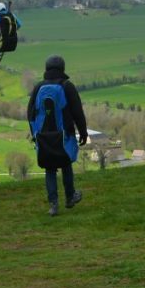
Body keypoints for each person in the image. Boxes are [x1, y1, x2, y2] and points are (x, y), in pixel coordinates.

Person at [27, 54, 88, 217]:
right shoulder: (67, 86)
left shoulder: (38, 87)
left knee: (50, 169)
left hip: (43, 137)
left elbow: (30, 113)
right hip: (64, 135)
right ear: (62, 68)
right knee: (66, 164)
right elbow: (77, 112)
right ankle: (70, 197)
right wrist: (83, 132)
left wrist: (35, 134)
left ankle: (53, 205)